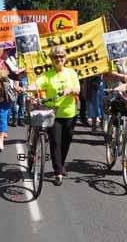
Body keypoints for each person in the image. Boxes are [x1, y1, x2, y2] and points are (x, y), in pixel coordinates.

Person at [35, 46, 80, 186]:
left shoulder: (71, 73)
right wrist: (25, 88)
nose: (59, 59)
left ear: (65, 58)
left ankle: (61, 164)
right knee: (55, 142)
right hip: (53, 114)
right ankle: (58, 172)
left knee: (66, 142)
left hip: (69, 113)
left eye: (61, 56)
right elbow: (35, 85)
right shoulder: (47, 75)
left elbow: (77, 89)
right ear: (51, 59)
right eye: (55, 57)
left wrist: (71, 89)